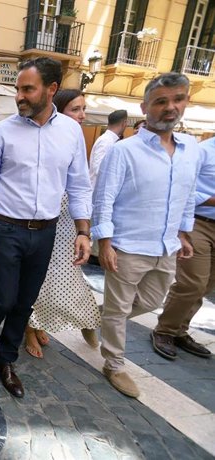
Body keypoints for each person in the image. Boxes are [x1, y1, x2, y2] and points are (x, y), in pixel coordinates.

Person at [0, 57, 92, 398]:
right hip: (6, 228)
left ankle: (5, 360)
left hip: (46, 232)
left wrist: (83, 230)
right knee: (2, 298)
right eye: (18, 89)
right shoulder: (3, 131)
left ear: (51, 90)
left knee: (25, 302)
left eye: (28, 89)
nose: (20, 96)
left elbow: (79, 183)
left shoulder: (71, 132)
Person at [93, 72, 199, 398]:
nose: (170, 108)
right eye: (161, 101)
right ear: (145, 107)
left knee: (152, 300)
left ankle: (98, 317)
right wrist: (106, 243)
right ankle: (114, 364)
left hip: (166, 245)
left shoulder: (189, 148)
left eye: (177, 100)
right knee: (120, 307)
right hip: (127, 245)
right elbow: (104, 198)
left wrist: (183, 233)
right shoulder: (124, 150)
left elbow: (187, 192)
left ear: (186, 102)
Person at [24, 89, 101, 359]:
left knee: (65, 278)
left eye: (83, 109)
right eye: (75, 109)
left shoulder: (75, 137)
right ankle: (29, 326)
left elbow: (81, 185)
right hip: (44, 223)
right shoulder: (44, 138)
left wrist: (85, 231)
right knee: (39, 278)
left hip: (69, 225)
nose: (82, 115)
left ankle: (79, 318)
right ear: (58, 110)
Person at [152, 136, 214, 360]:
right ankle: (165, 330)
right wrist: (211, 200)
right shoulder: (202, 151)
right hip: (198, 224)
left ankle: (180, 329)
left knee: (206, 286)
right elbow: (182, 188)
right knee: (192, 282)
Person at [88, 110, 128, 189]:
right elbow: (98, 168)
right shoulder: (106, 141)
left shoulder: (108, 140)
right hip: (96, 191)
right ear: (124, 123)